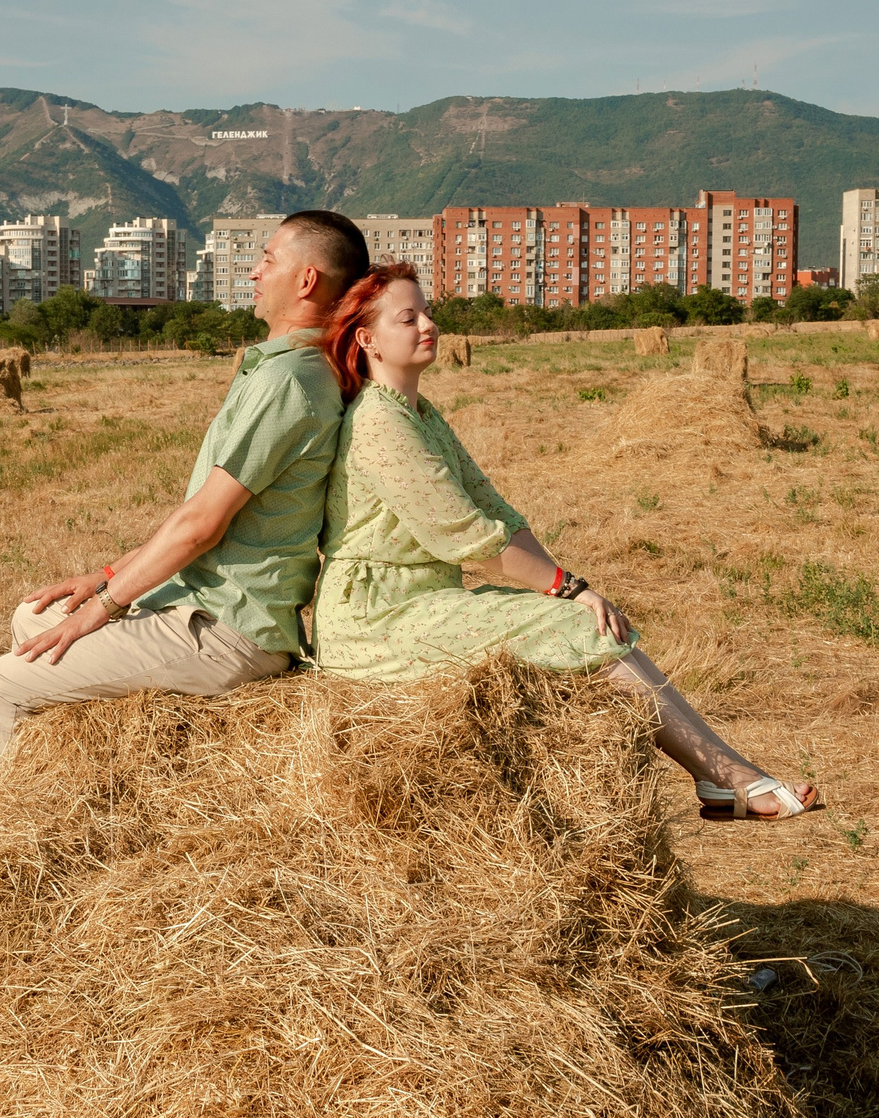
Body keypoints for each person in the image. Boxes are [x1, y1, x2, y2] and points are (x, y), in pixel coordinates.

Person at [309, 263, 820, 820]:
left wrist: (567, 589)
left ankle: (721, 773)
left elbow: (497, 511)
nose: (429, 325)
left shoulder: (420, 414)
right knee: (583, 622)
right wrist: (569, 588)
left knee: (598, 624)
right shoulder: (380, 424)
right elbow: (471, 538)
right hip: (374, 619)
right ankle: (726, 776)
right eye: (409, 318)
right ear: (368, 340)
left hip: (421, 600)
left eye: (428, 312)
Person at [0, 211, 370, 801]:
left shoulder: (291, 380)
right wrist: (104, 576)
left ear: (306, 281)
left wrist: (105, 604)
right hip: (201, 601)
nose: (255, 271)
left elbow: (201, 526)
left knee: (1, 683)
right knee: (34, 618)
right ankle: (64, 794)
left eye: (268, 260)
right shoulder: (283, 369)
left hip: (230, 628)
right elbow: (195, 516)